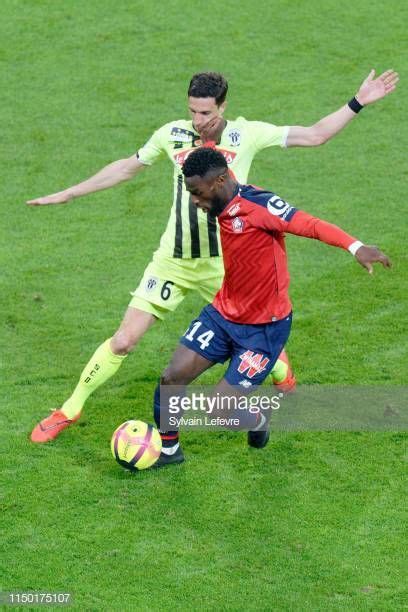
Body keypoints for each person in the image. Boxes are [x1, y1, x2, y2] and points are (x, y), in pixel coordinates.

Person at [28, 69, 398, 443]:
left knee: (252, 333)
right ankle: (68, 411)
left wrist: (358, 101)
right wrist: (70, 193)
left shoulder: (247, 134)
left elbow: (315, 135)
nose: (197, 121)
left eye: (205, 113)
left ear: (223, 106)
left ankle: (277, 369)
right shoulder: (171, 135)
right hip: (173, 260)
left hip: (226, 266)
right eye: (192, 112)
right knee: (123, 340)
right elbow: (127, 167)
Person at [152, 147, 391, 467]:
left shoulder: (259, 206)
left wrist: (356, 246)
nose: (195, 200)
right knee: (171, 378)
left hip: (264, 329)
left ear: (220, 180)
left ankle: (256, 419)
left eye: (197, 192)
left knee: (218, 410)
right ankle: (169, 451)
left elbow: (310, 224)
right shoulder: (221, 196)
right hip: (223, 313)